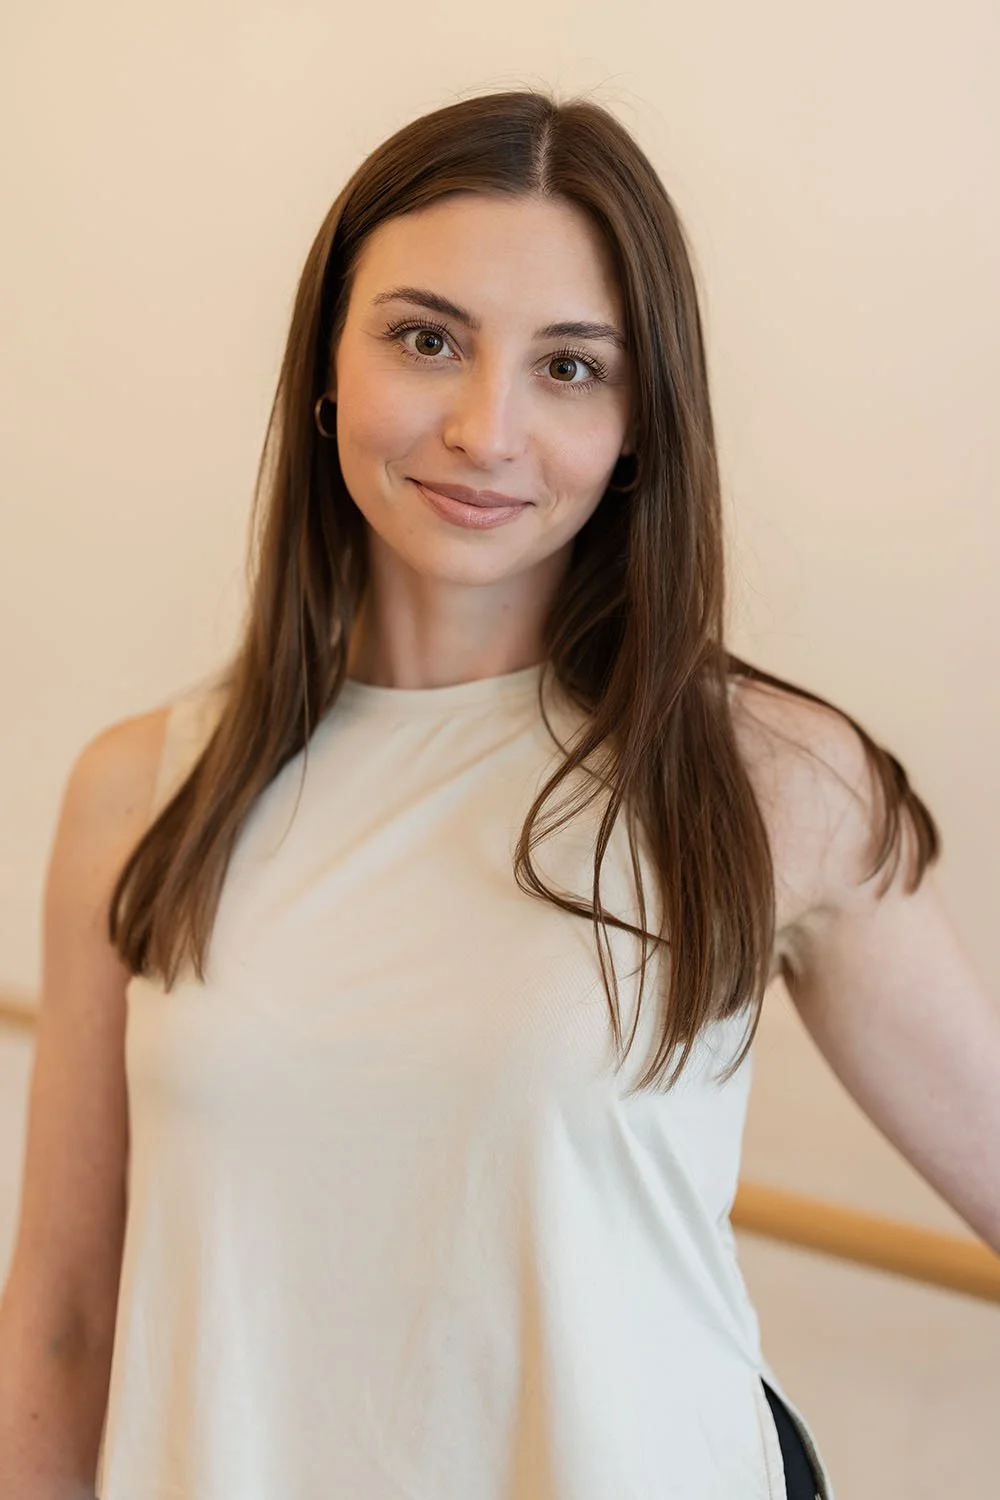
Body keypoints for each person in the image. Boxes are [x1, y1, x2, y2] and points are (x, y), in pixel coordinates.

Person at [2, 87, 998, 1500]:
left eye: (571, 368)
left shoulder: (765, 778)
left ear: (642, 419)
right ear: (329, 366)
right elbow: (61, 1321)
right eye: (428, 339)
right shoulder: (143, 791)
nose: (486, 428)